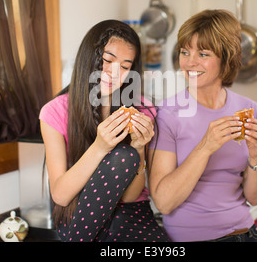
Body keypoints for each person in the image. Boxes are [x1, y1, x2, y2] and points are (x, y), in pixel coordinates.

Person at [40, 19, 169, 242]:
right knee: (121, 154)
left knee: (126, 154)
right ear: (88, 57)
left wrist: (138, 148)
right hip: (79, 211)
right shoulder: (56, 111)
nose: (114, 72)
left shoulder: (143, 110)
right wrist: (100, 147)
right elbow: (60, 196)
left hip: (130, 212)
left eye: (126, 66)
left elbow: (130, 197)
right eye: (107, 60)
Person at [148, 10, 257, 242]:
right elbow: (164, 202)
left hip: (244, 234)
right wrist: (205, 147)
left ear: (226, 58)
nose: (190, 62)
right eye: (185, 52)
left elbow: (255, 198)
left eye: (203, 53)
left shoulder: (250, 110)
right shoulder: (167, 114)